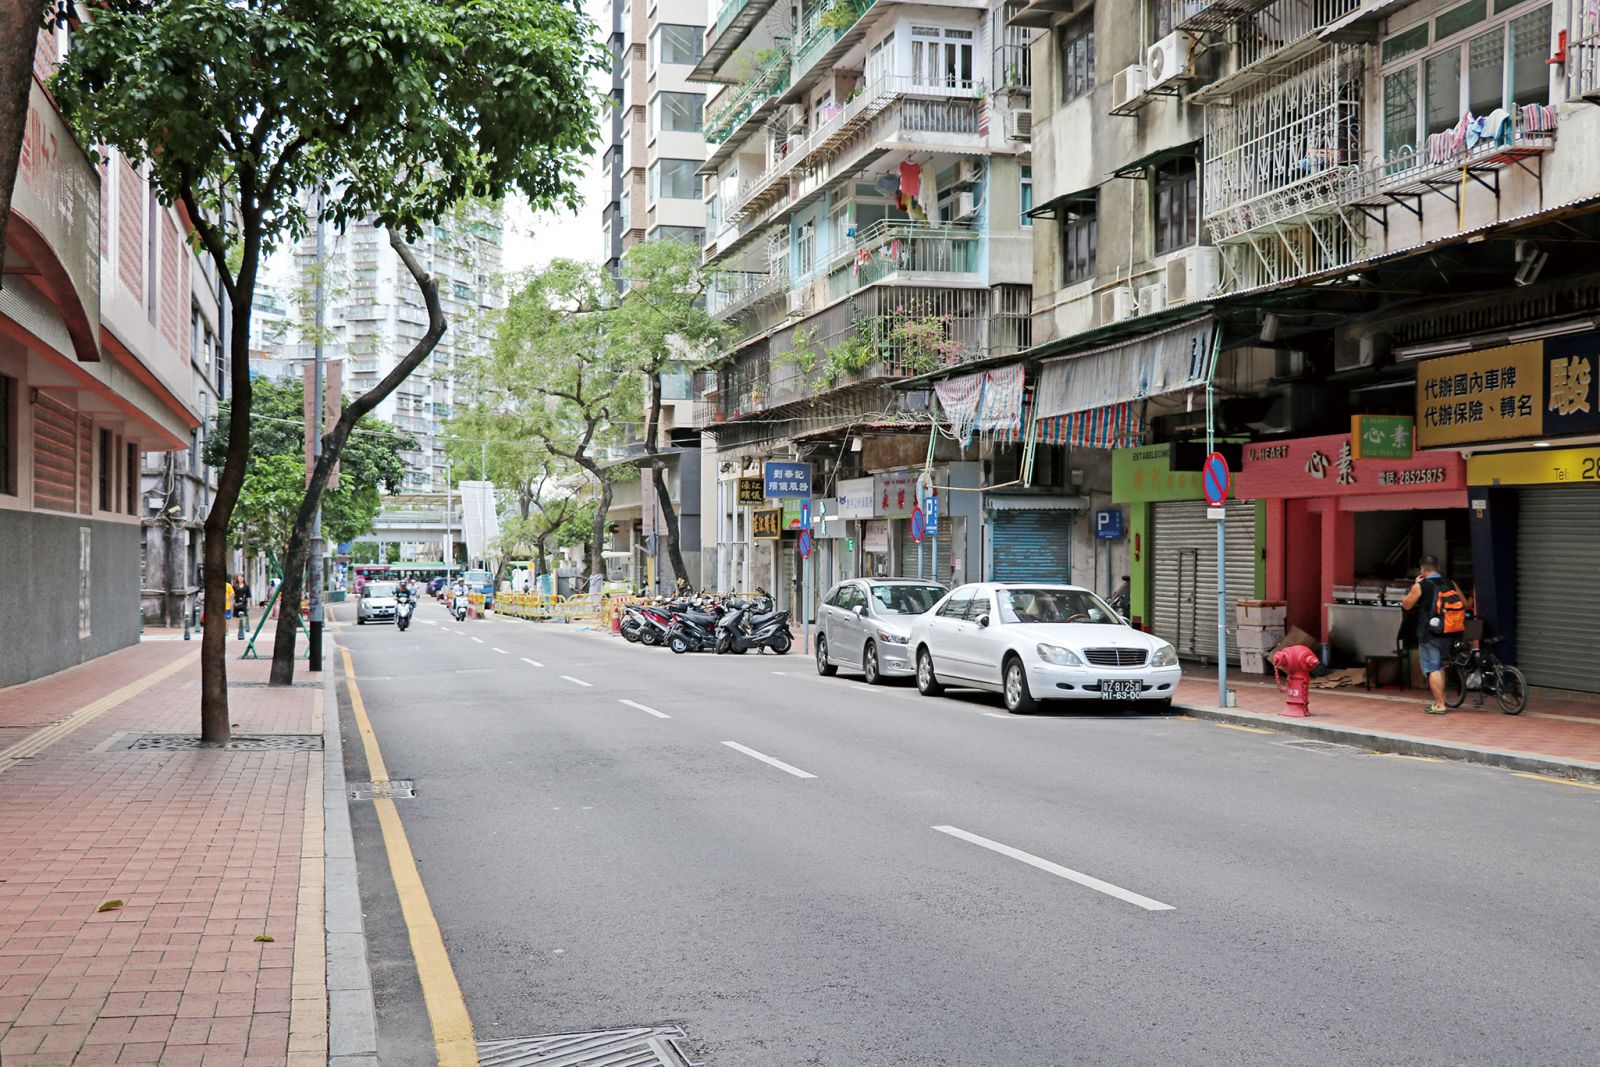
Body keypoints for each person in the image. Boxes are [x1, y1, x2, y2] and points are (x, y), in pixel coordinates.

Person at [1400, 555, 1464, 715]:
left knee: (1432, 667)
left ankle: (1440, 704)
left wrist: (1415, 585)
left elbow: (1407, 605)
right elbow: (1465, 603)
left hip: (1429, 633)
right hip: (1449, 631)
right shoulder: (1450, 583)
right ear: (1438, 568)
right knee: (1439, 665)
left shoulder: (1421, 586)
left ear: (1422, 569)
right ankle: (1440, 701)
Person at [233, 572, 252, 640]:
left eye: (241, 577)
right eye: (239, 577)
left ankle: (242, 628)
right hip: (237, 603)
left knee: (244, 615)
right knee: (236, 616)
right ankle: (238, 628)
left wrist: (248, 603)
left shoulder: (246, 586)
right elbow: (233, 594)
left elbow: (248, 595)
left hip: (244, 603)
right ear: (237, 578)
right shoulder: (235, 586)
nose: (240, 578)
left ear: (243, 578)